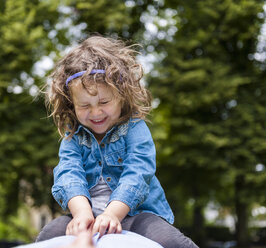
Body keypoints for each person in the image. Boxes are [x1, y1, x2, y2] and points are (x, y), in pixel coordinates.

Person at [37, 35, 198, 248]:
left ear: (121, 96)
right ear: (72, 104)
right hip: (88, 215)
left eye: (103, 101)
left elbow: (138, 173)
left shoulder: (135, 128)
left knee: (171, 241)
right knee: (49, 234)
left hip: (136, 214)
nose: (95, 112)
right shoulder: (72, 136)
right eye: (85, 106)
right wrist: (82, 214)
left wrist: (112, 214)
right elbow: (68, 174)